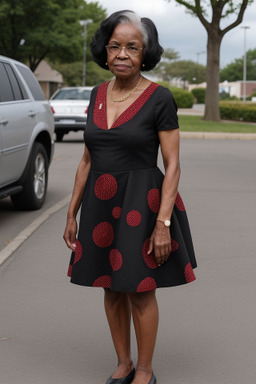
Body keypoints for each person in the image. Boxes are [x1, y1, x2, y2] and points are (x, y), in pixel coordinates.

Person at [63, 10, 197, 384]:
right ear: (104, 53)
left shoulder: (160, 98)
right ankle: (123, 362)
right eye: (114, 46)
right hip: (100, 204)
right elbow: (87, 158)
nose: (122, 54)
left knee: (140, 290)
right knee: (109, 285)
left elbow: (172, 166)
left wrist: (163, 224)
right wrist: (72, 212)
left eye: (132, 47)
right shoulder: (97, 94)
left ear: (145, 54)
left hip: (144, 203)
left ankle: (145, 369)